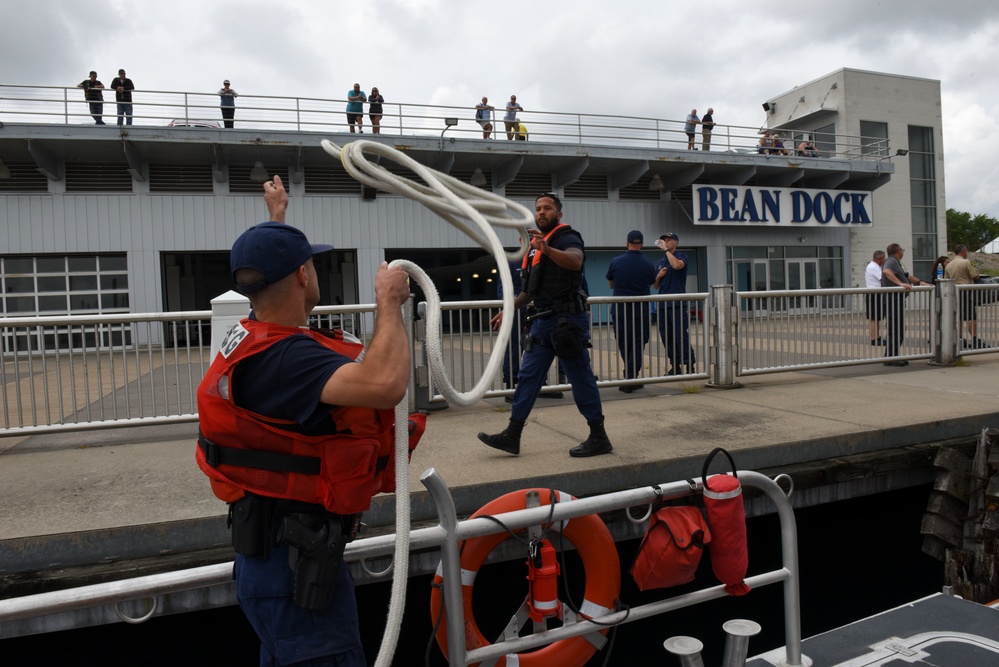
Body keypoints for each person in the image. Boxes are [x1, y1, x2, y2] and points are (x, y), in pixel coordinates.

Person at [195, 174, 417, 666]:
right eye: (309, 263)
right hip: (295, 574)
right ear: (300, 275)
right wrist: (388, 303)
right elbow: (385, 385)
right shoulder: (288, 360)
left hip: (273, 560)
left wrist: (278, 218)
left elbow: (270, 267)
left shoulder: (252, 335)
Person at [477, 193, 612, 458]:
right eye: (538, 208)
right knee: (527, 377)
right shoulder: (536, 246)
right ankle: (512, 434)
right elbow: (529, 293)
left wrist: (547, 249)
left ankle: (599, 436)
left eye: (547, 208)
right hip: (541, 321)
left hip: (567, 321)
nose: (541, 212)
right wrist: (509, 309)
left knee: (580, 378)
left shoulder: (566, 238)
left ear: (558, 214)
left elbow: (575, 261)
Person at [606, 230, 655, 392]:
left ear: (627, 243)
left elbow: (611, 284)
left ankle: (630, 375)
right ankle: (631, 376)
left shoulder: (616, 261)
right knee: (638, 343)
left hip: (620, 309)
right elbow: (650, 284)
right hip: (641, 309)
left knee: (623, 342)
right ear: (642, 244)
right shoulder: (648, 262)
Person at [654, 233, 696, 375]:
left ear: (676, 242)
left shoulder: (681, 256)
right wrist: (658, 276)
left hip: (677, 303)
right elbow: (655, 286)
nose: (666, 242)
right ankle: (675, 364)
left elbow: (677, 266)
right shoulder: (661, 262)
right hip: (663, 304)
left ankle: (689, 363)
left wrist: (666, 251)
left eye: (669, 240)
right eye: (664, 240)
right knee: (667, 336)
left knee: (680, 334)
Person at [880, 243, 927, 365]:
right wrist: (900, 284)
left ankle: (891, 356)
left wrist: (920, 282)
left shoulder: (896, 263)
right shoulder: (891, 261)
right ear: (899, 251)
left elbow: (906, 276)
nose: (903, 252)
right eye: (902, 250)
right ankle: (891, 358)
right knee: (895, 329)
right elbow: (886, 271)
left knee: (898, 328)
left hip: (896, 300)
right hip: (893, 300)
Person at [944, 244, 985, 347]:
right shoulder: (966, 262)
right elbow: (975, 276)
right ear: (964, 251)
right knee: (971, 316)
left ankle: (960, 339)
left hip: (954, 293)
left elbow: (946, 280)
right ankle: (975, 339)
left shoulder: (949, 265)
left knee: (959, 316)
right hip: (966, 292)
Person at [865, 249, 886, 346]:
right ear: (880, 258)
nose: (885, 260)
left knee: (876, 317)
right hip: (874, 294)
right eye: (884, 258)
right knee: (874, 317)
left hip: (875, 294)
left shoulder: (873, 266)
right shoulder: (874, 267)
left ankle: (877, 337)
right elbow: (883, 279)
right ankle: (874, 338)